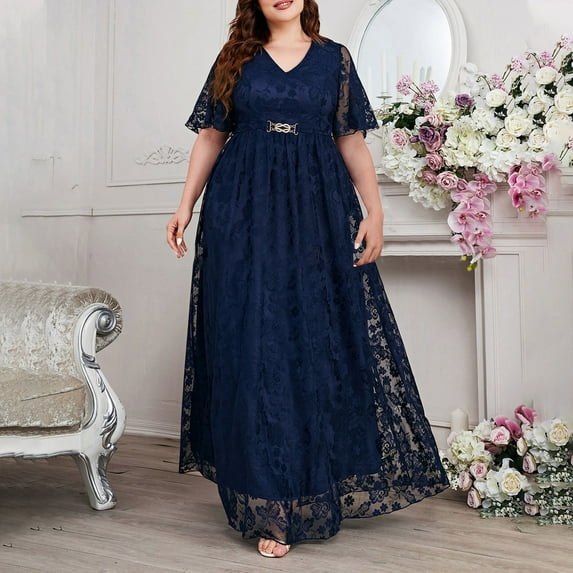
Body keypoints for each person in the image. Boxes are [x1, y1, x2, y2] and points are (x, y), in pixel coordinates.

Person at [167, 0, 449, 559]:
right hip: (242, 210)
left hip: (317, 210)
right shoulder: (235, 56)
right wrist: (185, 205)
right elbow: (211, 136)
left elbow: (352, 141)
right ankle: (271, 502)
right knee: (255, 348)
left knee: (310, 344)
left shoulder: (334, 60)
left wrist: (375, 212)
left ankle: (311, 484)